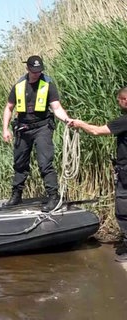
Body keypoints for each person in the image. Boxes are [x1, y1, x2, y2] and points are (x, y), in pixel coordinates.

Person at [2, 55, 72, 212]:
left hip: (42, 128)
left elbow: (57, 108)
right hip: (23, 129)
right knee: (20, 163)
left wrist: (67, 120)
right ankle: (16, 195)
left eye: (39, 71)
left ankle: (53, 196)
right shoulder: (19, 85)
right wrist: (5, 129)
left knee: (45, 163)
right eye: (34, 71)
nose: (36, 73)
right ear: (27, 69)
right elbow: (9, 107)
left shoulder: (48, 85)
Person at [69, 86, 127, 262]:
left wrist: (80, 124)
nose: (118, 103)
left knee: (123, 208)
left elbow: (97, 131)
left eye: (119, 100)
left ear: (125, 101)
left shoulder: (124, 121)